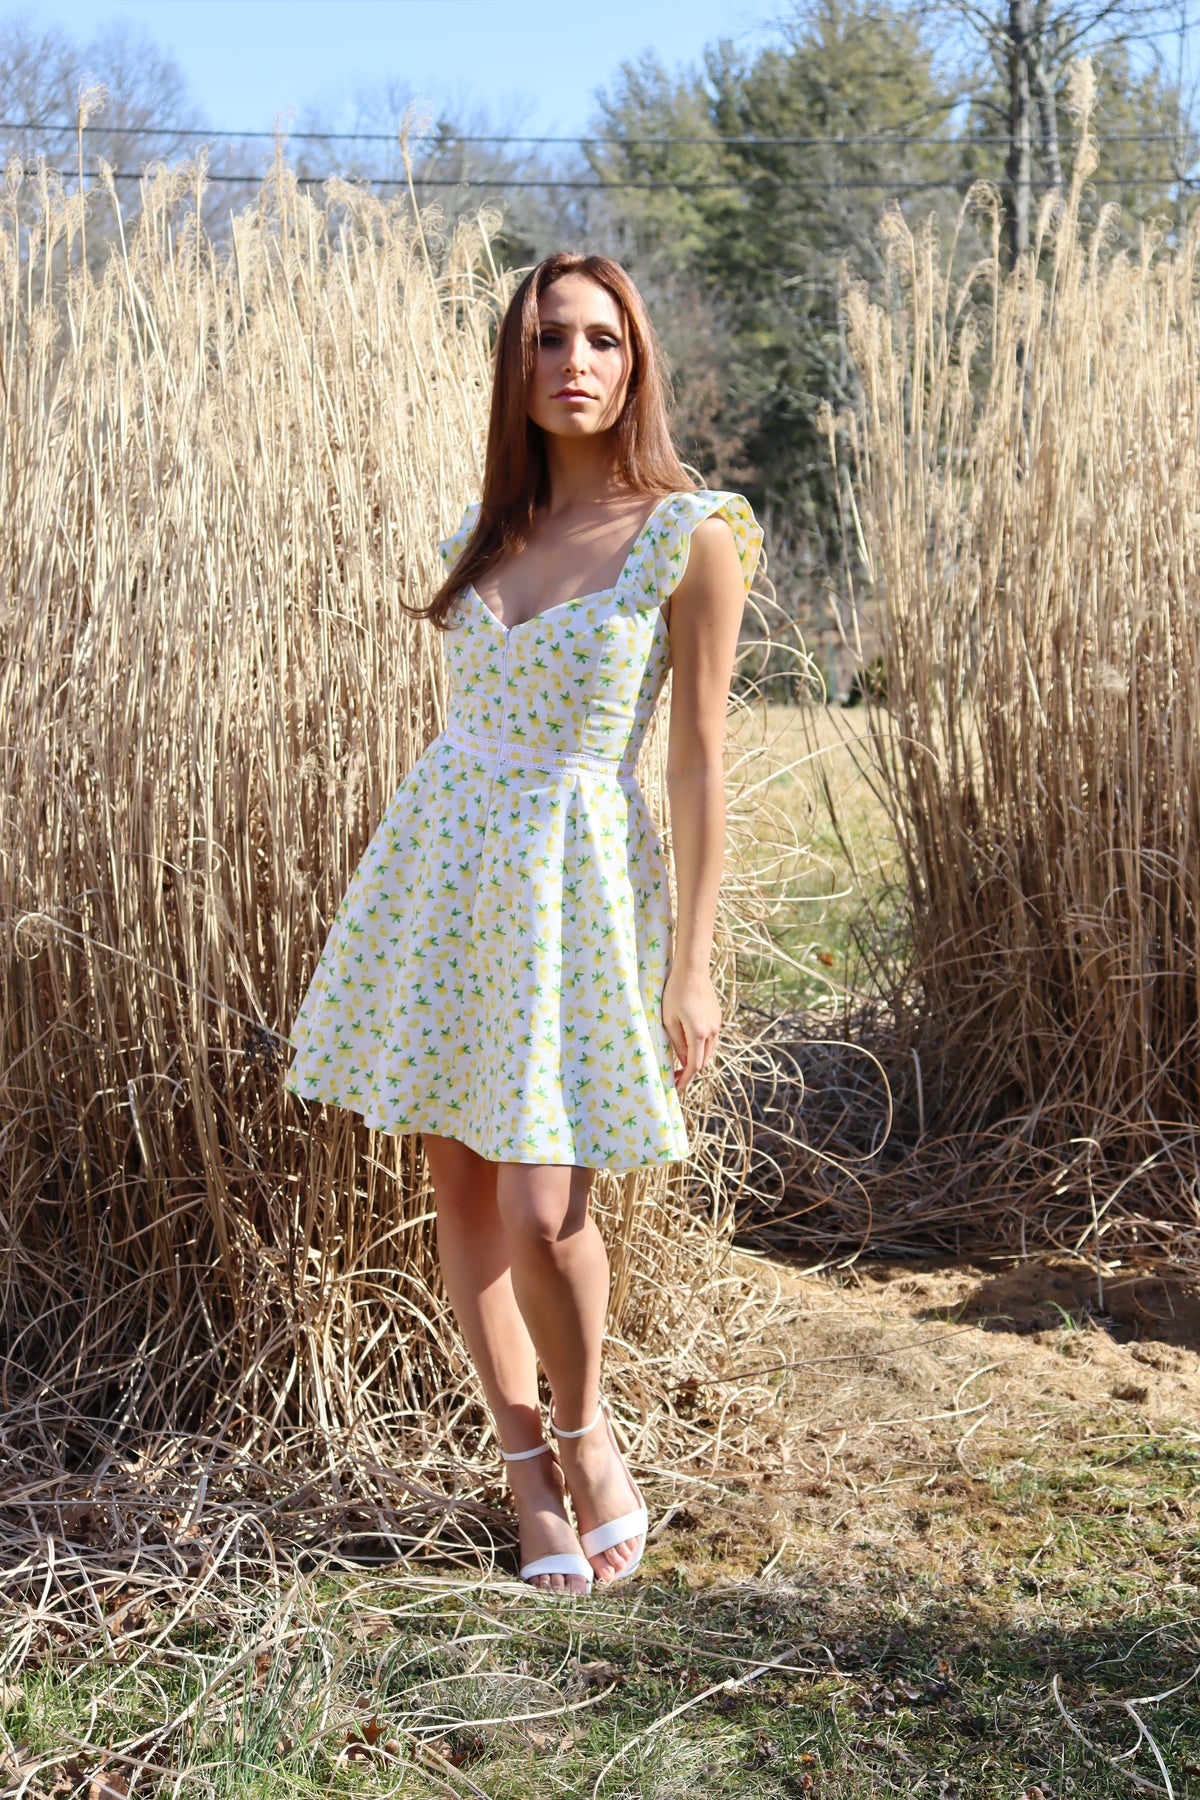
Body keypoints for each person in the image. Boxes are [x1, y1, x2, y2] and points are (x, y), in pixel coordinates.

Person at [285, 251, 762, 1597]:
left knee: (550, 1206)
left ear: (636, 361)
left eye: (602, 340)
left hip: (578, 887)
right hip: (445, 880)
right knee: (465, 1184)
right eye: (550, 339)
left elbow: (701, 760)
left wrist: (692, 966)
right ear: (519, 363)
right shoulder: (477, 542)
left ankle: (586, 1425)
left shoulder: (691, 533)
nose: (576, 364)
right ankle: (521, 1470)